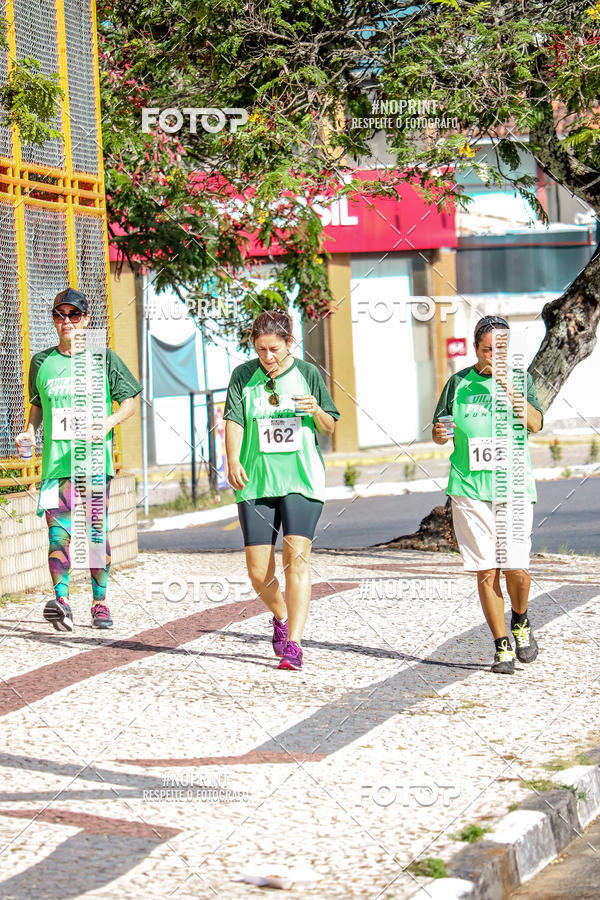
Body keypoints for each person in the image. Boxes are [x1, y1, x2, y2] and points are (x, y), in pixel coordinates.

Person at [15, 288, 141, 632]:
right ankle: (63, 602)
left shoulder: (103, 358)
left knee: (95, 535)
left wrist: (110, 422)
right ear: (54, 320)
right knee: (59, 535)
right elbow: (39, 405)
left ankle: (100, 604)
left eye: (74, 315)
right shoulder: (41, 362)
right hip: (57, 464)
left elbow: (130, 400)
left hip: (94, 462)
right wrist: (29, 431)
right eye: (60, 315)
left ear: (86, 319)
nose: (66, 321)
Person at [224, 309, 339, 671]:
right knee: (259, 572)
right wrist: (232, 460)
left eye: (274, 349)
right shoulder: (243, 376)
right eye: (261, 350)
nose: (268, 357)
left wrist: (316, 409)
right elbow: (233, 421)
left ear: (289, 343)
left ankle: (294, 644)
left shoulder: (307, 373)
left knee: (296, 562)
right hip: (256, 481)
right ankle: (281, 615)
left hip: (301, 481)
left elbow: (329, 426)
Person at [432, 315, 543, 674]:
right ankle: (501, 646)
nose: (494, 357)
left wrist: (508, 388)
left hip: (512, 487)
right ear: (475, 347)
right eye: (486, 350)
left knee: (516, 566)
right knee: (486, 570)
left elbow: (536, 423)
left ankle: (521, 619)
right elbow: (439, 430)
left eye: (501, 350)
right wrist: (439, 432)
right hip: (469, 488)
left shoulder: (522, 379)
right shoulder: (458, 383)